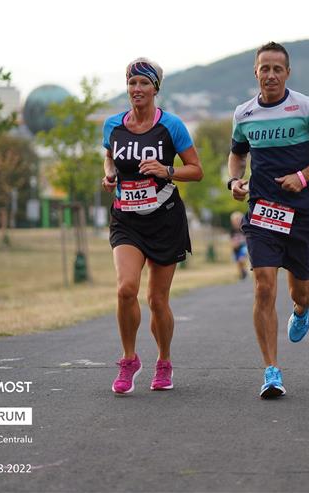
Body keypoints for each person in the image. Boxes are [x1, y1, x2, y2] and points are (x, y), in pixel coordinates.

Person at [227, 42, 309, 398]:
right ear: (256, 72)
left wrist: (304, 176)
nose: (271, 75)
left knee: (300, 291)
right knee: (264, 286)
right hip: (263, 211)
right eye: (264, 68)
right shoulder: (244, 114)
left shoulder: (306, 108)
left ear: (287, 73)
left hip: (302, 214)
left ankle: (302, 310)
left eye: (277, 69)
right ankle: (271, 371)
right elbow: (237, 154)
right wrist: (234, 181)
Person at [101, 57, 203, 395]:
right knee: (125, 289)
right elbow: (109, 156)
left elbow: (196, 170)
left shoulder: (172, 126)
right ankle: (129, 360)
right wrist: (110, 174)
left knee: (157, 300)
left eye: (144, 83)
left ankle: (164, 361)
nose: (137, 89)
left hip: (164, 220)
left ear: (155, 88)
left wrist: (166, 170)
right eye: (132, 83)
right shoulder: (113, 125)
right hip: (126, 218)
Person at [230, 211, 249, 280]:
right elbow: (231, 240)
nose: (236, 223)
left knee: (242, 259)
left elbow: (247, 238)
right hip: (236, 249)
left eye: (238, 220)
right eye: (235, 221)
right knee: (238, 262)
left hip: (243, 247)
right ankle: (242, 274)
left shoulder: (243, 229)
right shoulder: (232, 231)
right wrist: (233, 244)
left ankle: (245, 271)